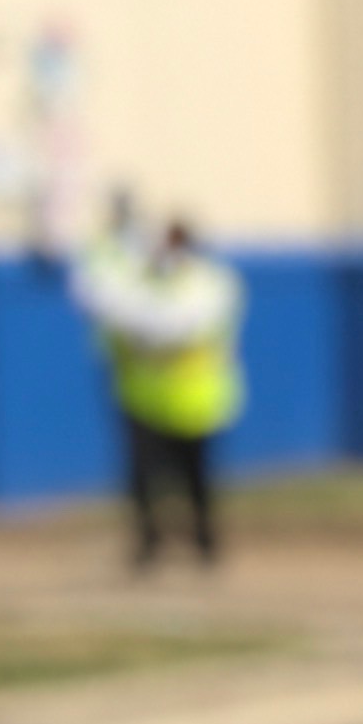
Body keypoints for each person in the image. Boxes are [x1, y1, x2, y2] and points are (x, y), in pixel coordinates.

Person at [82, 211, 245, 567]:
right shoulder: (142, 281)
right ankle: (148, 542)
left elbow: (176, 326)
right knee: (142, 478)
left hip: (196, 400)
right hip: (143, 398)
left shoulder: (211, 284)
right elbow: (106, 307)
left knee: (196, 477)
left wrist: (141, 322)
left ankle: (204, 540)